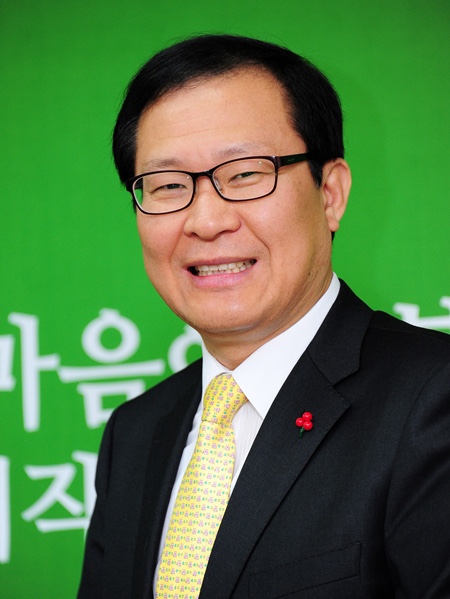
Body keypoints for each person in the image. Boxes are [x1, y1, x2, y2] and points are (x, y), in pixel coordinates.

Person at [77, 34, 450, 598]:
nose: (206, 221)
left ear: (330, 193)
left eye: (245, 174)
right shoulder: (135, 434)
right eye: (169, 185)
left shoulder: (432, 399)